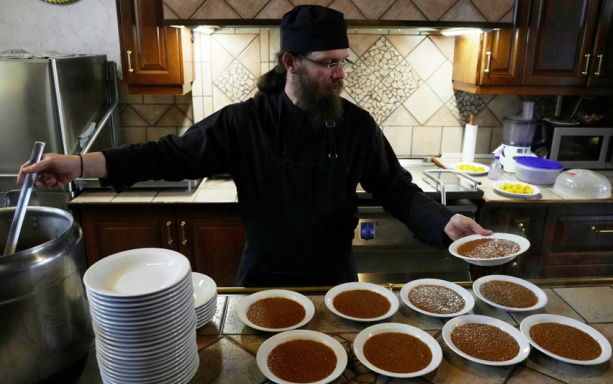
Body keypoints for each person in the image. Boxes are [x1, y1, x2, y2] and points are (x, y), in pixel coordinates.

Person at [19, 5, 491, 287]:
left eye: (343, 62)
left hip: (336, 279)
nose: (340, 75)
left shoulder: (357, 126)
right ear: (291, 62)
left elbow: (398, 190)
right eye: (328, 63)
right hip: (263, 278)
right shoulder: (244, 122)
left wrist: (444, 220)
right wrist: (78, 163)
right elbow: (167, 154)